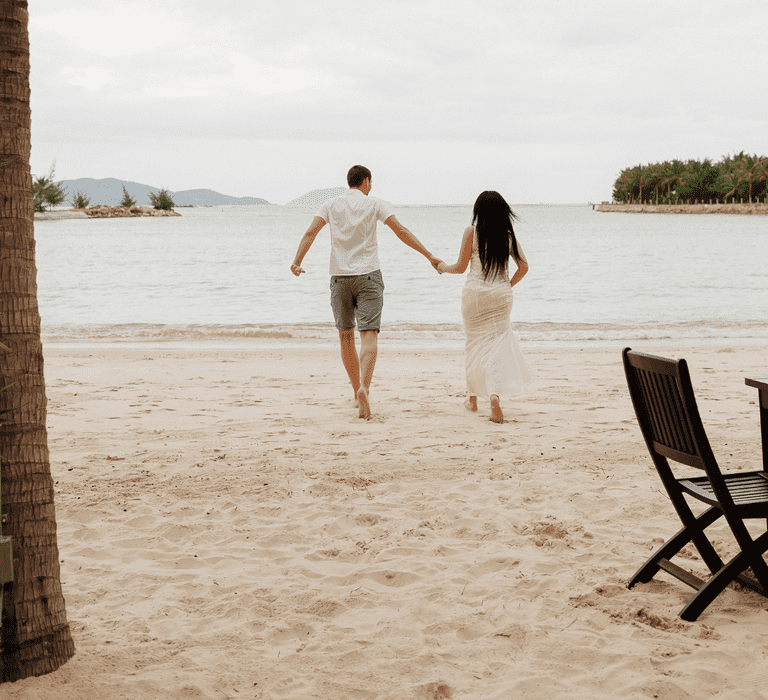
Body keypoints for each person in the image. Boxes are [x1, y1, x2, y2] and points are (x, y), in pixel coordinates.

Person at [291, 165, 442, 420]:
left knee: (345, 336)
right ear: (366, 182)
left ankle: (354, 391)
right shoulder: (375, 204)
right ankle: (365, 388)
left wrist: (297, 261)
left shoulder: (330, 205)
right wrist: (429, 255)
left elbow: (310, 232)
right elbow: (401, 231)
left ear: (349, 182)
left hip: (340, 278)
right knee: (369, 335)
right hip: (369, 276)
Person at [437, 191, 534, 423]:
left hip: (475, 295)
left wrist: (441, 266)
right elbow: (524, 267)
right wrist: (506, 286)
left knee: (473, 345)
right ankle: (494, 395)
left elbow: (460, 268)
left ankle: (472, 399)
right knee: (497, 348)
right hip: (500, 296)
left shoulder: (471, 232)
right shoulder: (508, 236)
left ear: (478, 211)